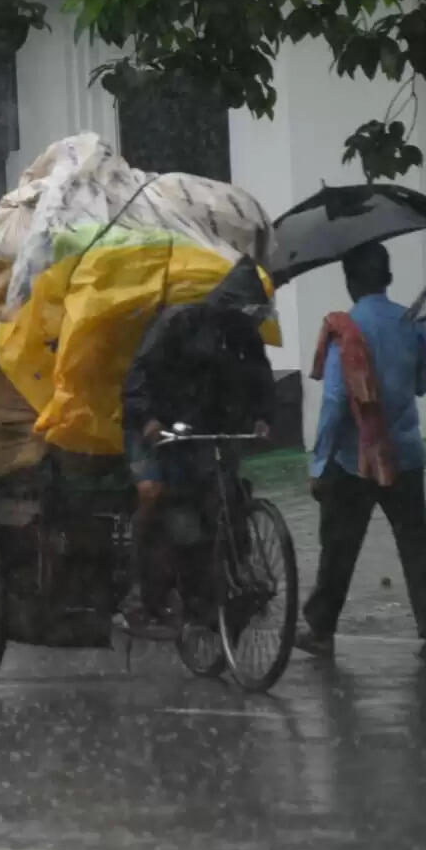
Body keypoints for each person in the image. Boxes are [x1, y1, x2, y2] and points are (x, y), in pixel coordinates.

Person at [299, 242, 426, 659]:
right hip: (404, 451)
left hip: (356, 457)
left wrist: (319, 461)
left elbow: (334, 401)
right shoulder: (412, 321)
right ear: (387, 278)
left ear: (350, 281)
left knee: (340, 545)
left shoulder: (344, 328)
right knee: (416, 538)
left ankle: (321, 631)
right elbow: (422, 384)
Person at [120, 257, 276, 638]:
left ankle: (221, 583)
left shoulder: (245, 337)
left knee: (221, 499)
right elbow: (138, 379)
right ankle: (139, 592)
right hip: (154, 426)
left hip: (205, 429)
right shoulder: (178, 323)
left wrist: (261, 416)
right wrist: (150, 421)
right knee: (157, 496)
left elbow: (260, 380)